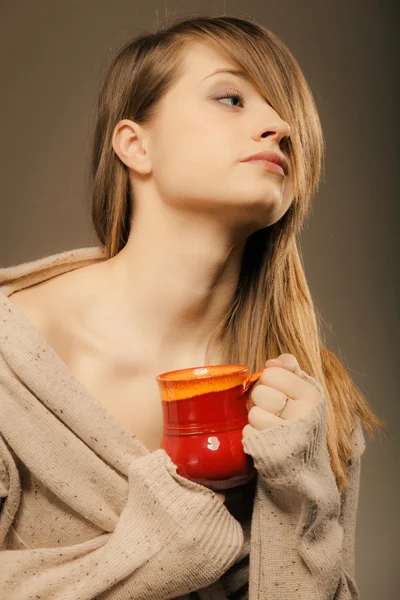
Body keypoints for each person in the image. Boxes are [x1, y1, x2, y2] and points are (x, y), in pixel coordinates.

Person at [0, 13, 387, 600]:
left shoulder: (309, 405)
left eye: (286, 115)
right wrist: (152, 558)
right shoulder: (12, 363)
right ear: (136, 144)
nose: (280, 126)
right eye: (231, 98)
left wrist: (298, 489)